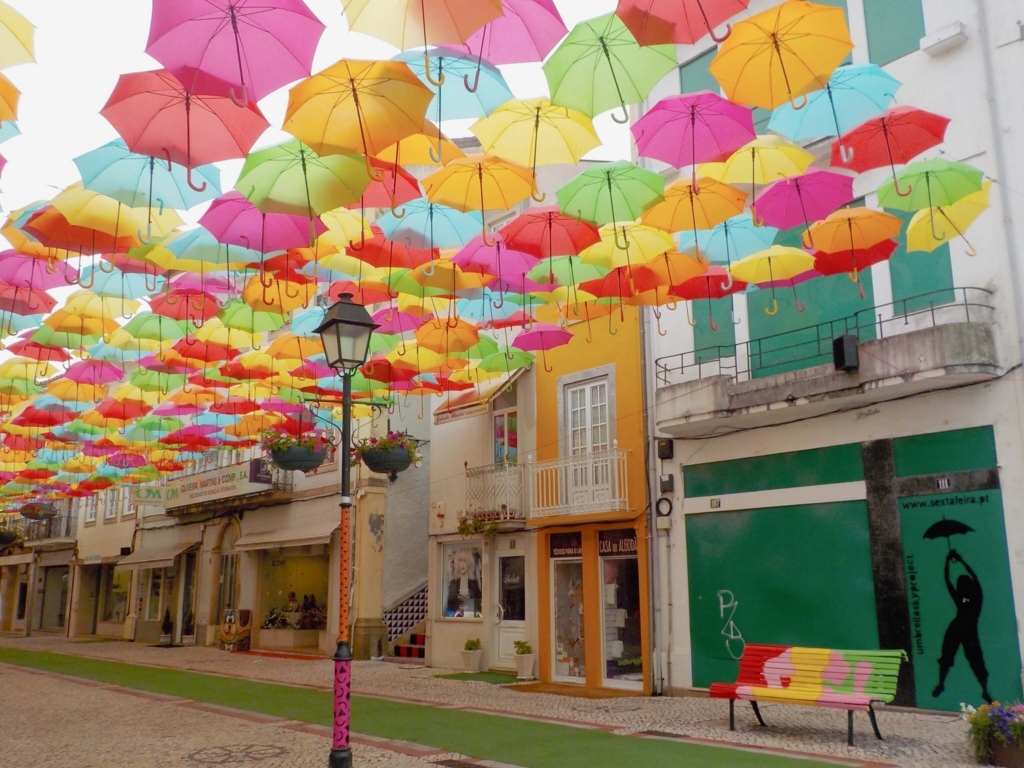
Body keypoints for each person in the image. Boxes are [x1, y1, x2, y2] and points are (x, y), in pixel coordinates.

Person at [933, 549, 992, 703]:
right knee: (966, 658)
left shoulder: (968, 598)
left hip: (961, 628)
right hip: (963, 629)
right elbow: (972, 577)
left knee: (969, 658)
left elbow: (948, 580)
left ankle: (943, 683)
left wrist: (950, 561)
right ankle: (983, 689)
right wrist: (958, 560)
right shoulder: (974, 598)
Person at [445, 548, 481, 617]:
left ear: (469, 562)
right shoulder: (453, 583)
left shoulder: (474, 583)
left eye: (465, 561)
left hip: (471, 618)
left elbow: (479, 604)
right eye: (460, 560)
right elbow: (450, 605)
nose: (462, 564)